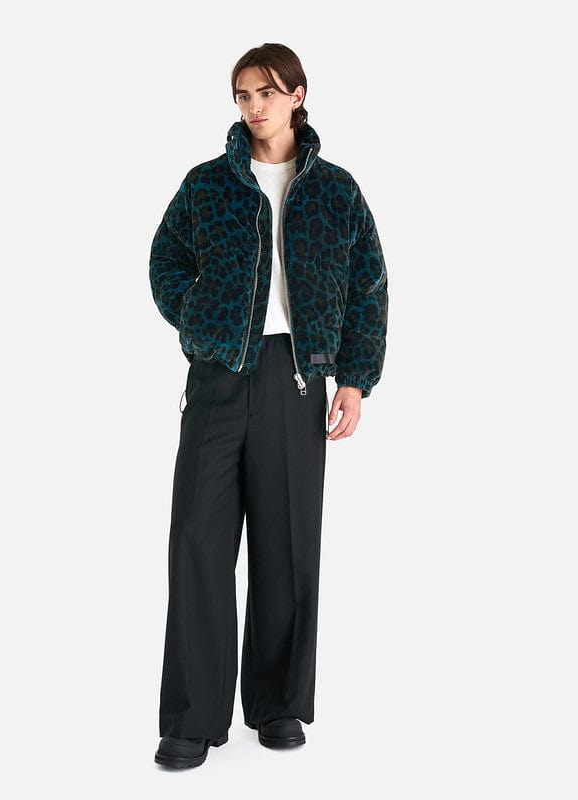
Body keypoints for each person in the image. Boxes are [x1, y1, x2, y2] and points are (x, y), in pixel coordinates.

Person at [149, 42, 388, 769]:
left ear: (297, 95)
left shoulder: (336, 190)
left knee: (287, 549)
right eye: (242, 95)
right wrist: (204, 323)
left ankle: (279, 705)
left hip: (296, 378)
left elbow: (369, 285)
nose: (253, 106)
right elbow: (165, 262)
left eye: (266, 92)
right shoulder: (207, 184)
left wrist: (354, 379)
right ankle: (191, 719)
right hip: (219, 376)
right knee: (198, 542)